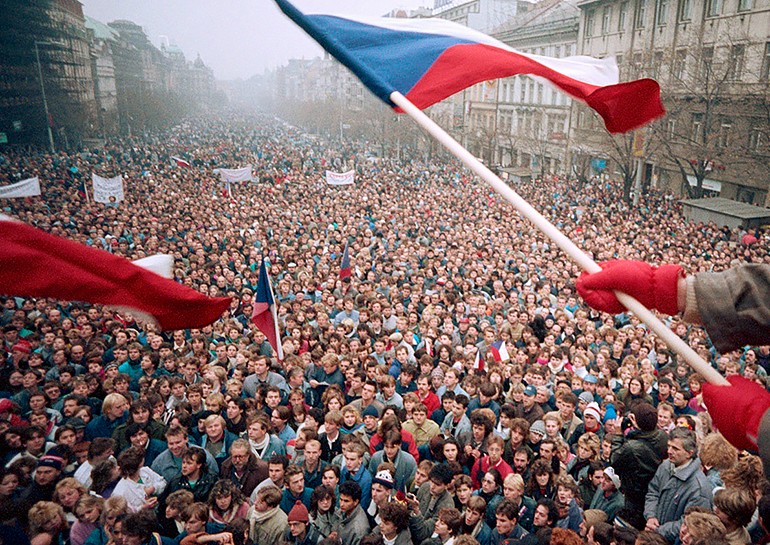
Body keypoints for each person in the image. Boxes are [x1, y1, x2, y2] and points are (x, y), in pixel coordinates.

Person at [643, 428, 713, 541]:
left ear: (689, 453)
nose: (669, 451)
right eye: (669, 446)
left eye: (675, 448)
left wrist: (659, 530)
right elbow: (653, 492)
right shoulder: (665, 466)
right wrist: (651, 516)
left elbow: (690, 523)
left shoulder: (699, 488)